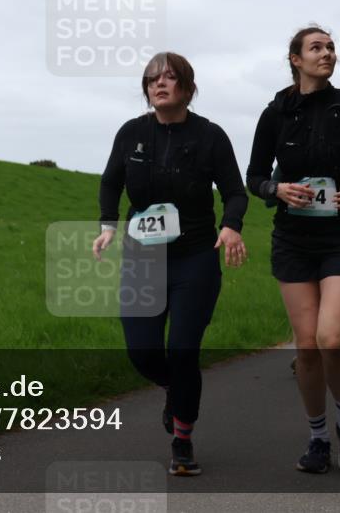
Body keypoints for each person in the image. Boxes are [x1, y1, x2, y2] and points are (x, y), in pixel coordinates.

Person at [92, 52, 249, 476]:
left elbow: (235, 191)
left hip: (195, 257)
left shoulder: (210, 136)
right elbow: (111, 181)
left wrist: (231, 226)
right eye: (151, 79)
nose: (158, 84)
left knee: (182, 350)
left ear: (187, 86)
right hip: (143, 257)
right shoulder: (130, 133)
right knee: (142, 351)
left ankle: (182, 439)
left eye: (169, 77)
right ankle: (172, 388)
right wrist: (108, 225)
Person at [246, 26, 340, 475]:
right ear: (295, 59)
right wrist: (277, 189)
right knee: (306, 348)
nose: (327, 53)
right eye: (316, 48)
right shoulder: (275, 114)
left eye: (330, 47)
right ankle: (317, 437)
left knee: (331, 339)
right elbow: (253, 176)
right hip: (293, 239)